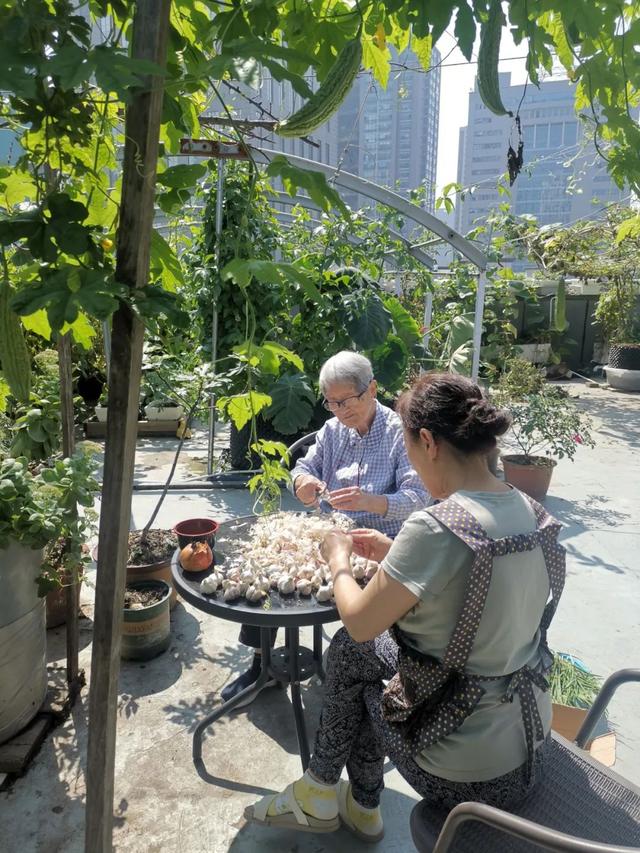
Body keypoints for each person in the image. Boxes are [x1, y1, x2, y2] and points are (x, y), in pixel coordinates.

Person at [245, 372, 565, 843]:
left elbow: (357, 621)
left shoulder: (435, 527)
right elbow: (474, 588)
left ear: (430, 443)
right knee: (364, 657)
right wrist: (395, 552)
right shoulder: (532, 511)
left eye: (412, 450)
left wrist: (338, 560)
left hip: (466, 777)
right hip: (530, 743)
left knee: (353, 659)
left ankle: (333, 794)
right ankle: (352, 802)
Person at [221, 351, 431, 705]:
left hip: (377, 544)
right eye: (331, 403)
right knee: (266, 565)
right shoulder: (333, 430)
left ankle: (360, 678)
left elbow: (418, 496)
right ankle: (261, 663)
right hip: (330, 531)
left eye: (345, 401)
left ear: (372, 389)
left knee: (338, 604)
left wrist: (371, 501)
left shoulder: (399, 433)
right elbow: (304, 467)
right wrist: (302, 483)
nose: (338, 411)